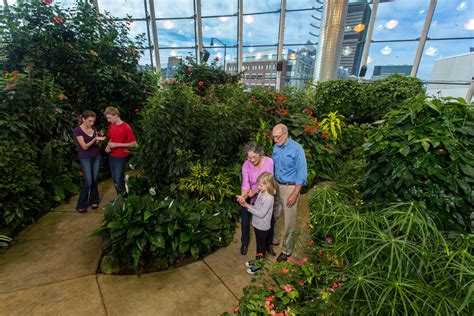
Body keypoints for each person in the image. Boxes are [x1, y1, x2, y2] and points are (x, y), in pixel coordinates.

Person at [271, 123, 307, 262]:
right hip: (276, 186)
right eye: (274, 137)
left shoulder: (297, 149)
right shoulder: (276, 147)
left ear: (286, 134)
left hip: (289, 188)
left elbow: (302, 173)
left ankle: (287, 250)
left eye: (278, 137)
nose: (275, 140)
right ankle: (274, 239)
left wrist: (295, 193)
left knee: (289, 221)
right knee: (274, 215)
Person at [236, 142, 275, 256]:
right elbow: (245, 184)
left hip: (264, 194)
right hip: (250, 194)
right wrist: (243, 197)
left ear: (260, 153)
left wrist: (256, 191)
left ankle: (268, 245)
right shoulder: (246, 165)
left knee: (270, 221)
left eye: (254, 157)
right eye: (249, 157)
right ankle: (244, 243)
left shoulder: (269, 162)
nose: (251, 160)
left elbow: (269, 181)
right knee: (245, 220)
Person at [238, 172, 276, 275]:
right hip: (256, 224)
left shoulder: (269, 198)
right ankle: (257, 260)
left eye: (260, 185)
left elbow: (261, 213)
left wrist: (247, 206)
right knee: (259, 245)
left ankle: (258, 265)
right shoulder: (261, 193)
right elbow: (256, 207)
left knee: (261, 247)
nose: (258, 187)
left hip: (263, 227)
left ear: (267, 185)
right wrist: (246, 204)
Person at [73, 110, 105, 213]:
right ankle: (81, 205)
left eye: (93, 121)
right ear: (83, 119)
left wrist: (99, 139)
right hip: (85, 158)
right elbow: (84, 146)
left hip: (96, 156)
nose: (92, 123)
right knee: (89, 181)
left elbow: (97, 146)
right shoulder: (77, 130)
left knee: (94, 179)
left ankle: (94, 201)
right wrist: (95, 138)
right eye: (90, 121)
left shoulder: (94, 129)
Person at [104, 106, 137, 195]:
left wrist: (117, 144)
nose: (108, 120)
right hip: (112, 156)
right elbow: (111, 138)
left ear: (116, 115)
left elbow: (134, 143)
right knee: (115, 179)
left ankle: (124, 200)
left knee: (118, 179)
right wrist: (108, 146)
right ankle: (120, 199)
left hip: (121, 157)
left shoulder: (126, 127)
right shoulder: (111, 126)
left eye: (109, 118)